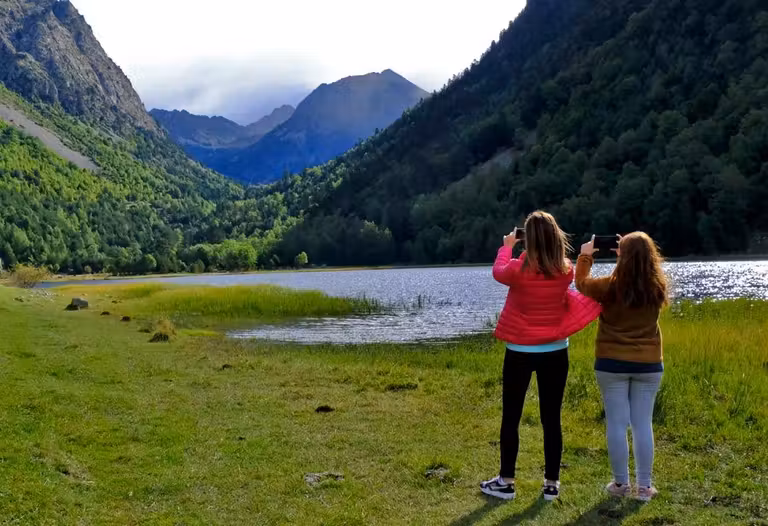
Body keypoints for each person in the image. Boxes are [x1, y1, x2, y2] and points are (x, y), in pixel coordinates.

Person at [481, 211, 601, 501]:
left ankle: (506, 482)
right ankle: (551, 484)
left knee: (511, 416)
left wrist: (508, 245)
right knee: (552, 418)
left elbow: (498, 271)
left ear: (528, 240)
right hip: (556, 351)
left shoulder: (517, 268)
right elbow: (560, 268)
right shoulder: (566, 270)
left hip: (520, 352)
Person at [576, 232, 668, 502]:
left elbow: (581, 283)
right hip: (649, 364)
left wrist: (586, 255)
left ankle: (620, 484)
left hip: (611, 362)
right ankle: (644, 488)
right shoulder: (658, 287)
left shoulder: (609, 287)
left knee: (616, 423)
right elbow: (636, 279)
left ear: (622, 256)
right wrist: (626, 256)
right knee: (643, 424)